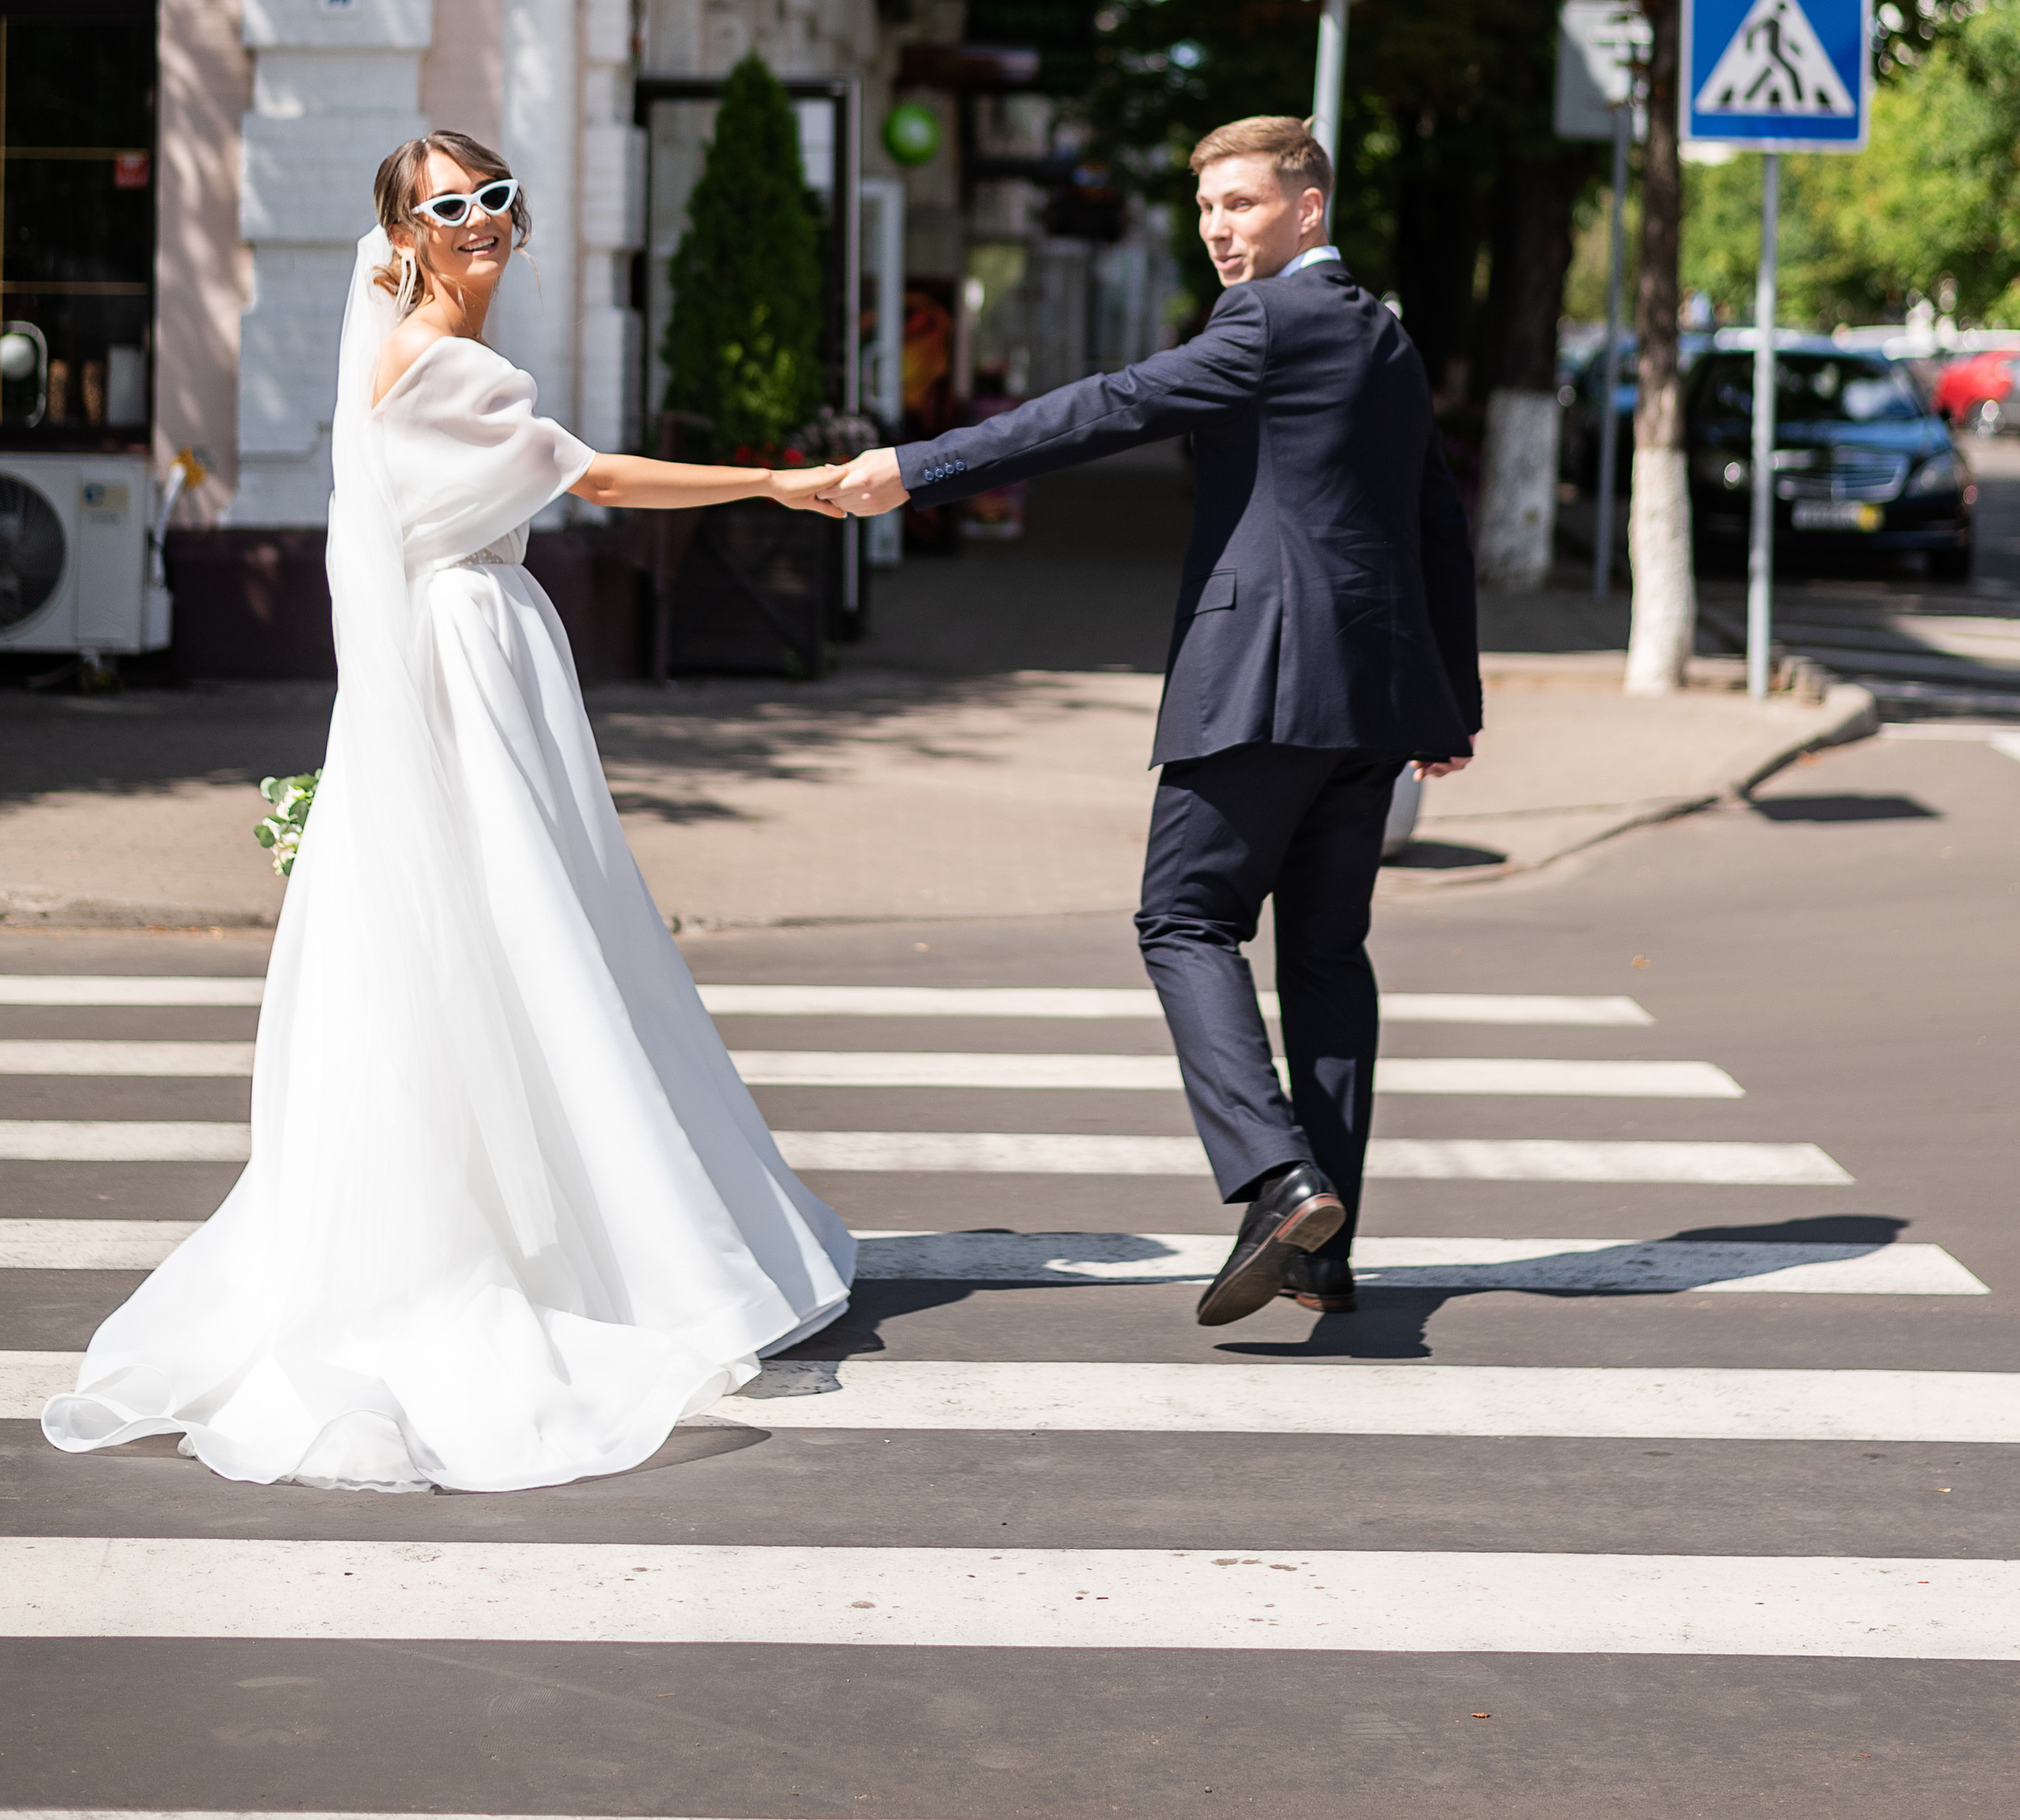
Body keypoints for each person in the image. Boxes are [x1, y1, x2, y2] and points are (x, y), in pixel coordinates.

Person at [43, 132, 857, 1493]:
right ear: (405, 234)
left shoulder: (413, 351)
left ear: (516, 218)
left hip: (468, 642)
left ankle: (573, 1216)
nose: (475, 219)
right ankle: (573, 1247)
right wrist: (774, 481)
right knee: (534, 930)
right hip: (468, 653)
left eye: (490, 198)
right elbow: (589, 478)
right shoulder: (442, 363)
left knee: (526, 931)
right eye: (444, 206)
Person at [833, 115, 1481, 1327]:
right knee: (1328, 958)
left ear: (1309, 207)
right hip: (1371, 700)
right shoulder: (1385, 334)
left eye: (1242, 203)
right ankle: (1322, 1251)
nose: (1220, 229)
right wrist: (1451, 700)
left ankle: (1279, 1180)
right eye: (1207, 208)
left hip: (1262, 681)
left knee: (1184, 918)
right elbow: (1432, 520)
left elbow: (1108, 406)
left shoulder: (1269, 322)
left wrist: (915, 468)